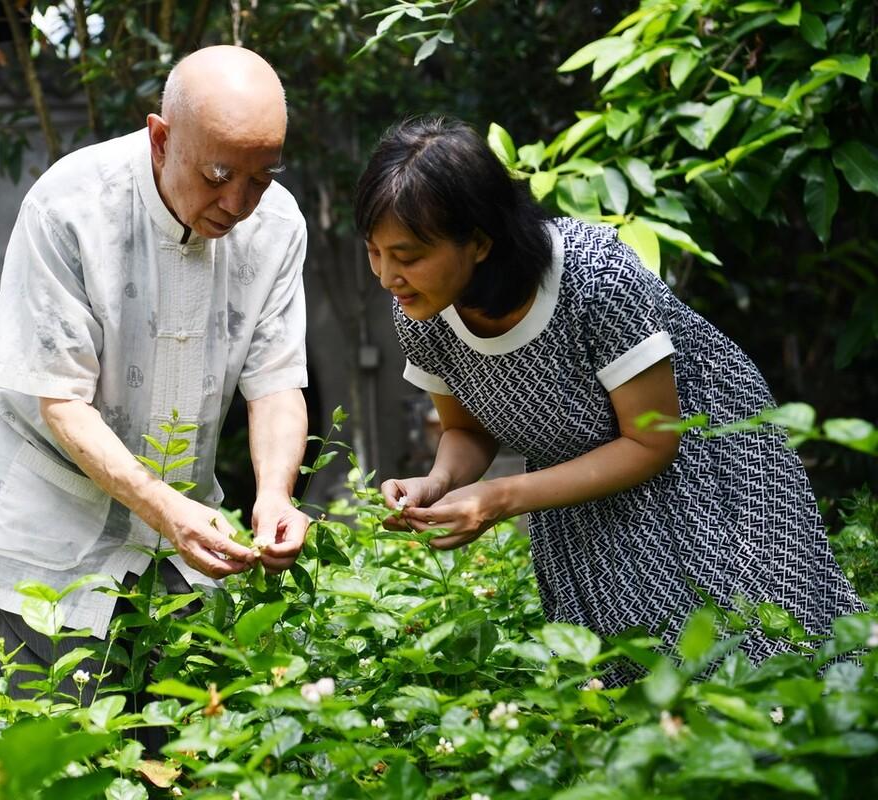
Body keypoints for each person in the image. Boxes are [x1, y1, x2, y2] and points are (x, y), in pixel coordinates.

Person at [356, 116, 865, 678]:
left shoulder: (594, 277)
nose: (387, 276)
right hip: (574, 483)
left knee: (758, 647)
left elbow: (651, 442)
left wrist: (499, 498)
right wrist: (439, 483)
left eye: (407, 256)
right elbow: (467, 429)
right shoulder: (421, 313)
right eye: (375, 253)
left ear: (478, 241)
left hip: (705, 457)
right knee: (631, 669)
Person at [0, 46, 310, 702]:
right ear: (160, 138)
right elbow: (59, 401)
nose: (238, 203)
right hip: (48, 525)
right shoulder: (69, 208)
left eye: (260, 178)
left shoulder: (279, 226)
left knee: (174, 750)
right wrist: (166, 508)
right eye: (216, 174)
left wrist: (274, 495)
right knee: (57, 752)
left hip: (177, 528)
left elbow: (277, 380)